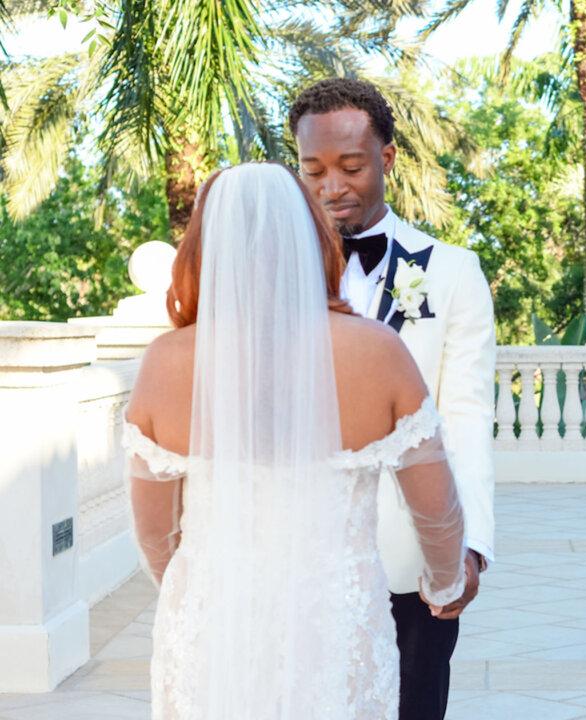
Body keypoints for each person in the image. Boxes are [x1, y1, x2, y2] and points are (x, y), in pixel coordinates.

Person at [123, 163, 467, 719]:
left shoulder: (166, 363)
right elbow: (436, 509)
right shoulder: (378, 352)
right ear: (313, 238)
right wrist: (446, 584)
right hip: (333, 619)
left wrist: (203, 581)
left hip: (213, 622)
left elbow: (154, 532)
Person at [289, 78, 496, 720]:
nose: (331, 186)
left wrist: (470, 543)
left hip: (412, 549)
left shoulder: (453, 271)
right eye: (313, 169)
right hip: (298, 551)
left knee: (416, 705)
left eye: (351, 166)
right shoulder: (270, 272)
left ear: (388, 158)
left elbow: (464, 416)